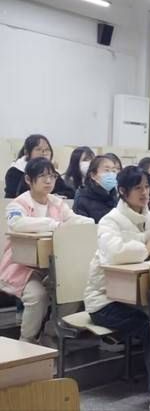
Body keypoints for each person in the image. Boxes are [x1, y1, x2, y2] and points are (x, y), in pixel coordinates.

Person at [83, 165, 150, 399]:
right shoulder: (110, 221)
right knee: (148, 324)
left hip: (138, 298)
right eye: (138, 188)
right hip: (104, 301)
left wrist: (149, 249)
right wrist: (146, 248)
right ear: (122, 191)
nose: (145, 193)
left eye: (147, 187)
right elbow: (115, 253)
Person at [0, 158, 93, 344]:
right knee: (37, 296)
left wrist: (89, 223)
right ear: (29, 179)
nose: (49, 181)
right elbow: (17, 223)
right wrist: (52, 224)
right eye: (42, 176)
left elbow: (73, 219)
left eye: (52, 176)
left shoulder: (57, 202)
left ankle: (51, 332)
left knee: (72, 292)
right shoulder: (18, 204)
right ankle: (26, 341)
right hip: (21, 266)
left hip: (52, 264)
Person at [4, 134, 75, 199]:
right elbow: (15, 196)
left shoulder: (52, 172)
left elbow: (70, 192)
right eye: (38, 149)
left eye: (47, 150)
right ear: (27, 153)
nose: (44, 153)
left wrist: (55, 196)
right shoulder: (15, 171)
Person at [72, 156, 119, 223]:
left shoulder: (115, 196)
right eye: (106, 170)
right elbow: (81, 226)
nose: (111, 174)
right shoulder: (82, 198)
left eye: (113, 171)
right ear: (93, 175)